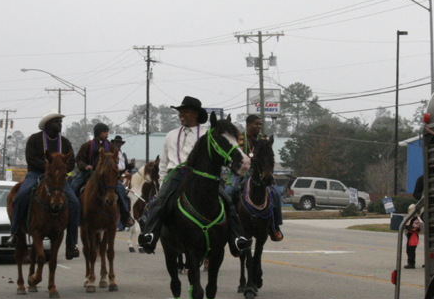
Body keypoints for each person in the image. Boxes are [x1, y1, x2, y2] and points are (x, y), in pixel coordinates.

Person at [137, 96, 252, 256]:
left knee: (227, 201)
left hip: (201, 175)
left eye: (186, 111)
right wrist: (164, 181)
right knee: (159, 201)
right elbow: (163, 163)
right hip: (176, 174)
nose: (181, 114)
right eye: (181, 112)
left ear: (196, 114)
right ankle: (150, 236)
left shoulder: (208, 134)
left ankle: (237, 239)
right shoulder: (170, 135)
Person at [6, 109, 81, 260]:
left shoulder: (64, 142)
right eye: (56, 121)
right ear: (47, 124)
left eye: (60, 122)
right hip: (36, 174)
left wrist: (61, 170)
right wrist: (48, 168)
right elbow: (30, 158)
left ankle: (71, 244)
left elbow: (71, 161)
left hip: (58, 179)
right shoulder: (34, 139)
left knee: (75, 203)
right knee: (21, 195)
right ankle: (14, 233)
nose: (60, 124)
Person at [226, 114, 283, 241]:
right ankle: (226, 226)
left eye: (260, 124)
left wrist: (269, 174)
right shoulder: (239, 138)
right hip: (241, 173)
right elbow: (232, 157)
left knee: (276, 194)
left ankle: (275, 228)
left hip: (260, 173)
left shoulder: (264, 139)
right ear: (248, 124)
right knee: (228, 192)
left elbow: (270, 158)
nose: (258, 126)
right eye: (256, 124)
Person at [72, 123, 134, 228]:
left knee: (121, 189)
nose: (106, 134)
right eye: (104, 132)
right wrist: (85, 166)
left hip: (106, 175)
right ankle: (72, 212)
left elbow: (115, 161)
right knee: (74, 185)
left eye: (107, 132)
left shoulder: (111, 146)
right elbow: (79, 159)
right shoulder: (87, 145)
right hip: (88, 172)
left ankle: (125, 215)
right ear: (98, 133)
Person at [404, 203, 422, 269]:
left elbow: (414, 228)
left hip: (413, 236)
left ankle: (411, 263)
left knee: (411, 250)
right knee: (408, 250)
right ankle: (409, 262)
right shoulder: (410, 219)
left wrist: (407, 227)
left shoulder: (415, 219)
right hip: (409, 235)